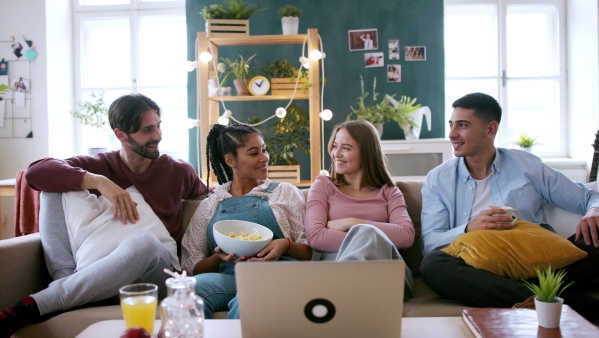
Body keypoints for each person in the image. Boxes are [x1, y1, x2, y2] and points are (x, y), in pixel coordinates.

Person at [0, 93, 210, 336]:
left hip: (154, 274)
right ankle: (65, 283)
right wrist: (98, 182)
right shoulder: (100, 165)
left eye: (158, 126)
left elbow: (212, 197)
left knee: (146, 243)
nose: (158, 136)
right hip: (96, 273)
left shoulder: (177, 171)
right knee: (52, 188)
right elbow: (36, 173)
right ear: (120, 134)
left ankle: (46, 301)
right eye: (147, 130)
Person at [420, 92, 599, 322]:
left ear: (490, 129)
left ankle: (523, 294)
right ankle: (564, 302)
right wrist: (469, 228)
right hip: (481, 272)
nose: (452, 134)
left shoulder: (527, 165)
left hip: (540, 265)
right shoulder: (438, 179)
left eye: (462, 125)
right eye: (451, 124)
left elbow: (588, 197)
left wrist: (595, 210)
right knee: (433, 265)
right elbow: (430, 243)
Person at [181, 124, 312, 319]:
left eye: (264, 150)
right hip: (229, 277)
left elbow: (311, 252)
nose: (264, 157)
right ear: (230, 160)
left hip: (278, 276)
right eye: (253, 153)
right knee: (188, 292)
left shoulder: (285, 192)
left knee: (249, 298)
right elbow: (192, 267)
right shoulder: (211, 204)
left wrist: (285, 245)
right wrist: (218, 257)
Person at [304, 120, 415, 297]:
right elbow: (316, 237)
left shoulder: (390, 191)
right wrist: (368, 237)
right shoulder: (323, 185)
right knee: (367, 235)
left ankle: (344, 297)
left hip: (389, 273)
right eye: (334, 146)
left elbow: (406, 236)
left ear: (367, 152)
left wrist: (353, 223)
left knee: (368, 233)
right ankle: (351, 295)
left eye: (346, 148)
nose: (336, 154)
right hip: (337, 266)